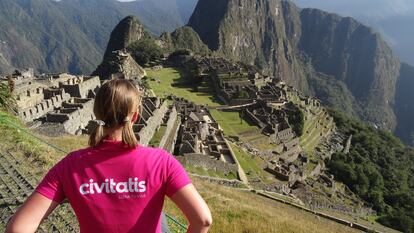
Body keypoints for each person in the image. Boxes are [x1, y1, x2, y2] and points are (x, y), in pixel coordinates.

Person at [6, 79, 212, 233]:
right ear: (135, 116)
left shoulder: (70, 166)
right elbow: (203, 219)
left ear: (96, 114)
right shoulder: (161, 161)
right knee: (160, 218)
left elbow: (17, 228)